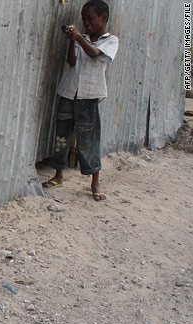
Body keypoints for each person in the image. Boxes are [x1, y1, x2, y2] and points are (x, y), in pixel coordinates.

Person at [42, 0, 118, 201]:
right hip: (68, 92)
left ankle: (95, 182)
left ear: (103, 19)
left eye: (90, 18)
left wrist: (79, 39)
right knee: (61, 136)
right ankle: (58, 175)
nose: (86, 22)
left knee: (89, 141)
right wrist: (72, 40)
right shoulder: (80, 37)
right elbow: (71, 61)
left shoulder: (110, 41)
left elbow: (94, 54)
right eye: (84, 19)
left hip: (89, 97)